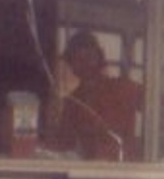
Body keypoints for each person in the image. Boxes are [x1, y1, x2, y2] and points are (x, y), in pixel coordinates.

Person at [43, 30, 143, 160]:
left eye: (89, 57)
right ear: (71, 65)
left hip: (127, 172)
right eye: (78, 59)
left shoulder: (124, 88)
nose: (85, 64)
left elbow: (158, 106)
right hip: (92, 173)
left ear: (99, 57)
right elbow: (63, 145)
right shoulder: (72, 103)